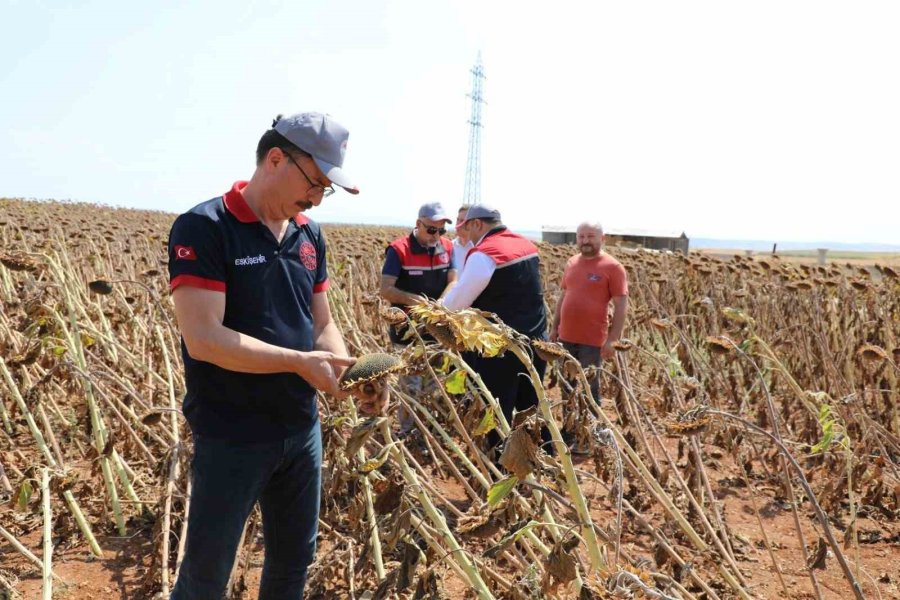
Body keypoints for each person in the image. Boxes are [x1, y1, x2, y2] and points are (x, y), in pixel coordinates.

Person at [167, 112, 382, 599]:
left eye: (326, 188)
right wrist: (297, 362)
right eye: (316, 182)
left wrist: (347, 371)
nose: (316, 197)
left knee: (291, 565)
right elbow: (204, 338)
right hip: (232, 433)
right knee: (207, 575)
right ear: (276, 159)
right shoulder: (205, 227)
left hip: (300, 431)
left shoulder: (308, 235)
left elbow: (322, 323)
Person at [442, 204, 548, 449]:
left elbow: (458, 302)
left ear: (477, 224)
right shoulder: (526, 245)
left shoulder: (485, 253)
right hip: (534, 341)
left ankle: (502, 468)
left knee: (498, 411)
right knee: (531, 409)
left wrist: (439, 311)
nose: (466, 235)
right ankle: (540, 461)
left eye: (467, 227)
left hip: (500, 349)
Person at [380, 202, 456, 433]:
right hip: (406, 329)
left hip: (436, 329)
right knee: (410, 384)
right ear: (418, 224)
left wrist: (441, 304)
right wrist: (421, 303)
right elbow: (386, 290)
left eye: (441, 230)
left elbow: (453, 280)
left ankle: (432, 431)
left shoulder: (447, 248)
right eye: (431, 230)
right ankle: (408, 431)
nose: (437, 235)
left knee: (436, 381)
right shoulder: (398, 250)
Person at [549, 221, 629, 402]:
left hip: (592, 341)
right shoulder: (571, 263)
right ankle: (568, 431)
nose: (585, 241)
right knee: (566, 386)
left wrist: (613, 339)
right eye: (581, 236)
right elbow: (563, 296)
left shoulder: (613, 267)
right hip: (566, 337)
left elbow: (621, 306)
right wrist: (554, 328)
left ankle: (591, 429)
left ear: (602, 238)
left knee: (590, 389)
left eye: (591, 237)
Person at [451, 205, 474, 273]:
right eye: (457, 219)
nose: (458, 224)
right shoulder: (450, 247)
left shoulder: (479, 249)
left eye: (462, 221)